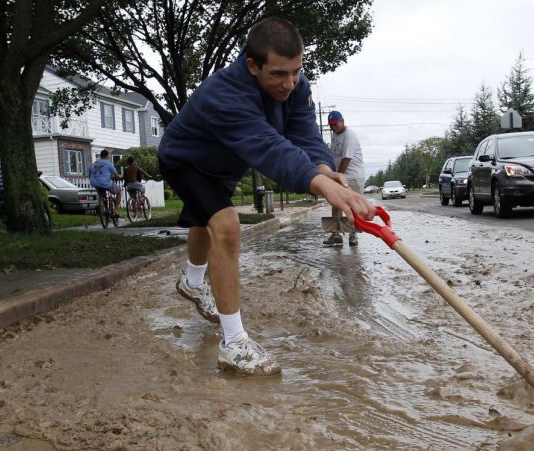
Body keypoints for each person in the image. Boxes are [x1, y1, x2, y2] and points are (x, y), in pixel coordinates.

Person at [157, 17, 374, 375]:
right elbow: (272, 149)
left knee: (204, 219)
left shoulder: (296, 85)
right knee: (226, 227)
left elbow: (302, 134)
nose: (289, 83)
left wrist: (323, 167)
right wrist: (321, 186)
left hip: (225, 162)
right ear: (252, 65)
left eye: (296, 71)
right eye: (278, 74)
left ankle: (192, 282)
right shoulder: (224, 96)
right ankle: (234, 343)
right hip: (186, 160)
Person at [324, 110, 365, 246]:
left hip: (353, 177)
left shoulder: (349, 136)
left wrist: (338, 177)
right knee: (336, 204)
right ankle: (336, 235)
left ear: (342, 121)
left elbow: (346, 159)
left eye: (335, 124)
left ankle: (353, 235)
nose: (333, 127)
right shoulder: (335, 136)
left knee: (353, 206)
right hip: (340, 175)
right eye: (331, 125)